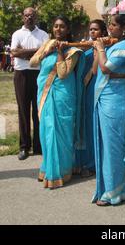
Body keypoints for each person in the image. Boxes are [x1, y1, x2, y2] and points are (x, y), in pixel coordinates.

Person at [92, 13, 125, 206]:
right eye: (109, 24)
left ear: (124, 28)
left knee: (113, 148)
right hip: (107, 99)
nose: (110, 28)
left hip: (115, 103)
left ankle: (113, 192)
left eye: (114, 25)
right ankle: (119, 188)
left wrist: (100, 49)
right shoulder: (116, 45)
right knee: (108, 146)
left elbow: (106, 68)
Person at [30, 16, 85, 189]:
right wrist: (47, 51)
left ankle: (62, 171)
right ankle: (48, 168)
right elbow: (32, 62)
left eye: (62, 27)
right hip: (45, 94)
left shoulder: (73, 51)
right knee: (47, 130)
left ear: (68, 29)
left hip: (63, 96)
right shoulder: (47, 44)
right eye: (56, 26)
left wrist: (60, 52)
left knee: (60, 131)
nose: (58, 29)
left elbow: (62, 73)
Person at [11, 8, 49, 160]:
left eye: (32, 15)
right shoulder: (17, 34)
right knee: (23, 110)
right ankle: (24, 147)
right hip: (21, 75)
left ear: (36, 17)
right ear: (22, 17)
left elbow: (45, 52)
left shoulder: (43, 34)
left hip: (39, 75)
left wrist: (24, 52)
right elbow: (14, 53)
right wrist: (36, 53)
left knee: (38, 111)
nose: (29, 18)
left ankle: (39, 146)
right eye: (26, 15)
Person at [73, 19, 108, 177]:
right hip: (83, 86)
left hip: (94, 84)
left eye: (95, 30)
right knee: (83, 121)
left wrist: (97, 49)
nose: (92, 32)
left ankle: (93, 162)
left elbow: (95, 69)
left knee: (92, 122)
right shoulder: (86, 45)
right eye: (90, 30)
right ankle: (80, 160)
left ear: (102, 31)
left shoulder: (103, 46)